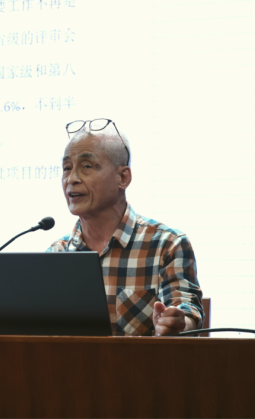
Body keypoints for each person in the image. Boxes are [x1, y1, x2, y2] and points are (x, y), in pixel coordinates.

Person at [48, 119, 203, 336]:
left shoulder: (167, 245)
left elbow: (187, 311)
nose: (71, 179)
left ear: (123, 177)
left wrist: (177, 323)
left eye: (86, 166)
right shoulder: (56, 254)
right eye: (66, 168)